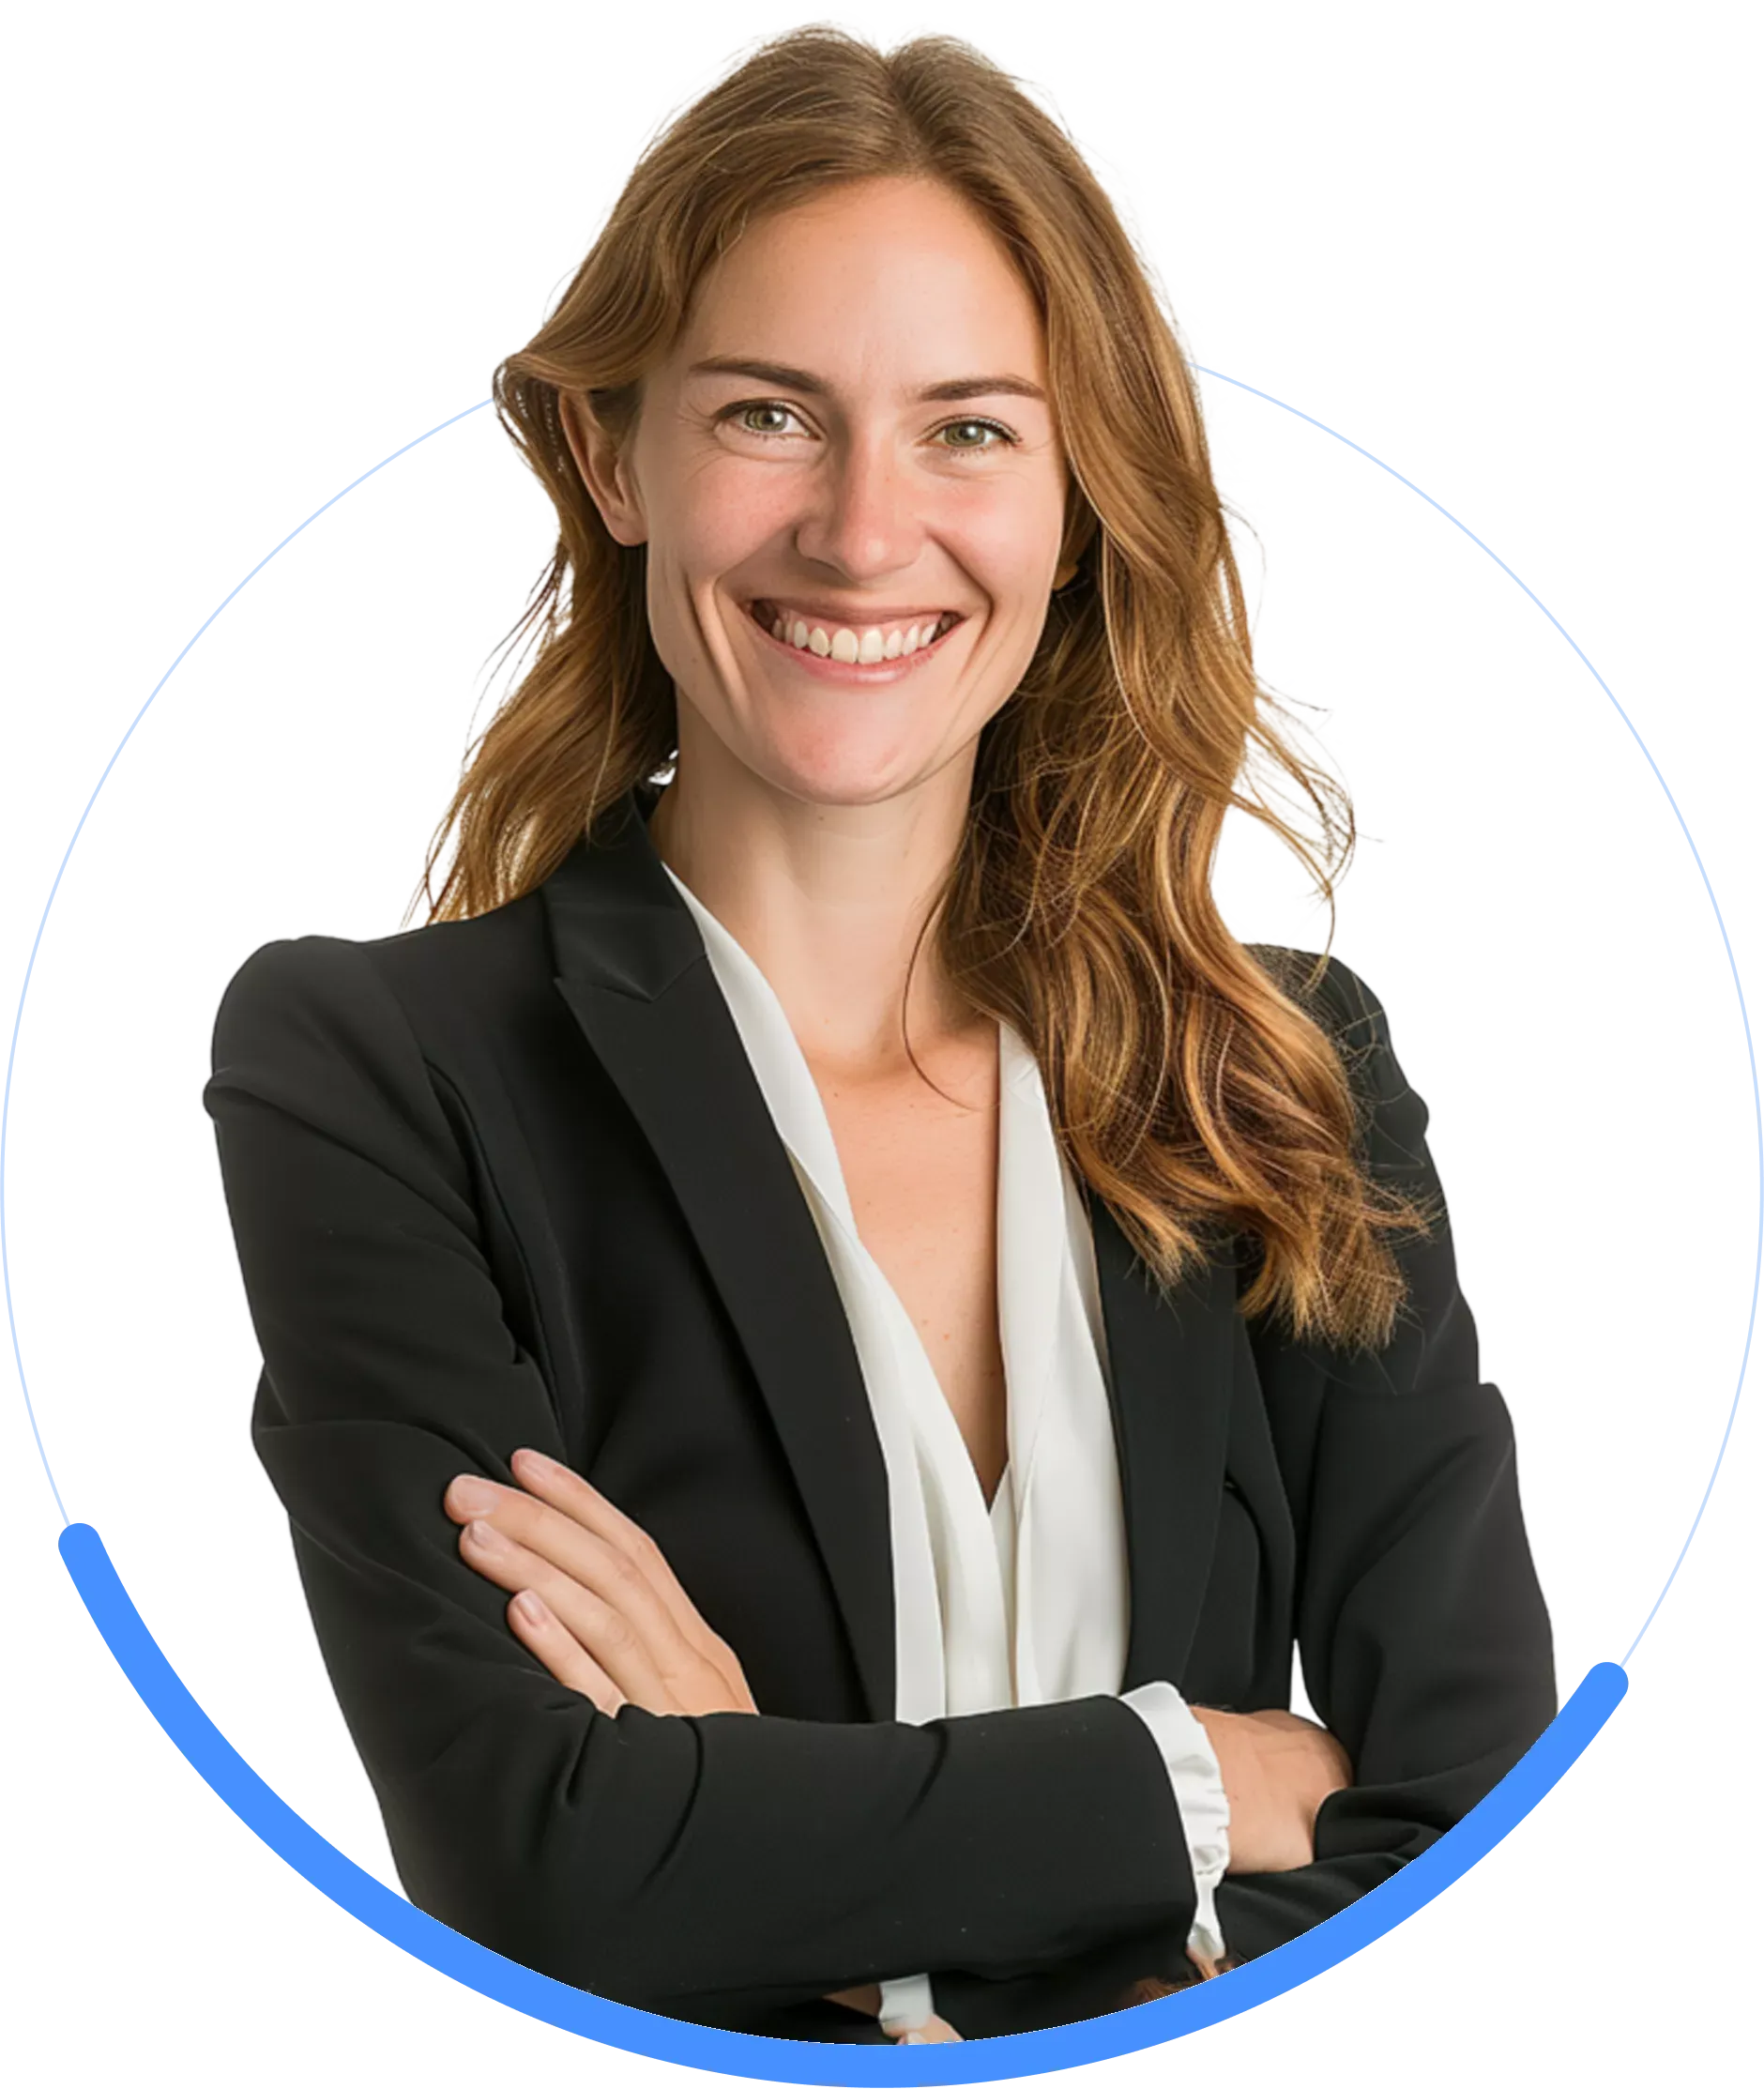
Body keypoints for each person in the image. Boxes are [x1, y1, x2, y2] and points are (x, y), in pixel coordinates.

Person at [201, 23, 1560, 2049]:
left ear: (1079, 494)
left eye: (969, 428)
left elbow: (1475, 1842)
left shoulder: (1283, 1077)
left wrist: (792, 1870)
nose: (859, 531)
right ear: (610, 454)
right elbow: (538, 1867)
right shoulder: (374, 1069)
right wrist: (1197, 1780)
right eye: (769, 412)